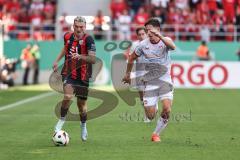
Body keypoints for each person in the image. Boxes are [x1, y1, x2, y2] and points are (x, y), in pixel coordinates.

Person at [122, 18, 176, 142]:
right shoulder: (143, 45)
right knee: (150, 116)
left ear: (157, 30)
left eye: (150, 30)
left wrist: (160, 36)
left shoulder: (165, 41)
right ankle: (154, 108)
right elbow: (131, 58)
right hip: (150, 82)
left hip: (165, 81)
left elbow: (173, 47)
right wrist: (127, 74)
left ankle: (156, 134)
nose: (148, 33)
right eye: (147, 31)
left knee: (167, 109)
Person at [52, 16, 96, 141]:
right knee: (68, 96)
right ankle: (61, 120)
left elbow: (92, 59)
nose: (78, 29)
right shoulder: (67, 36)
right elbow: (65, 48)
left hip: (83, 75)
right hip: (69, 72)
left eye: (81, 27)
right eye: (76, 26)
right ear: (73, 26)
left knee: (81, 105)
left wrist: (80, 56)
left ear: (85, 27)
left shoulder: (89, 39)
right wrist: (56, 61)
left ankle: (83, 126)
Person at [128, 27, 152, 122]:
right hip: (139, 72)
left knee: (148, 93)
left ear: (146, 34)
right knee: (142, 95)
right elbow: (131, 58)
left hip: (150, 71)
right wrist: (129, 73)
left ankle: (150, 112)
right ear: (137, 36)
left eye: (143, 34)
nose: (142, 36)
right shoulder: (135, 45)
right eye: (140, 34)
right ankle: (147, 113)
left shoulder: (151, 43)